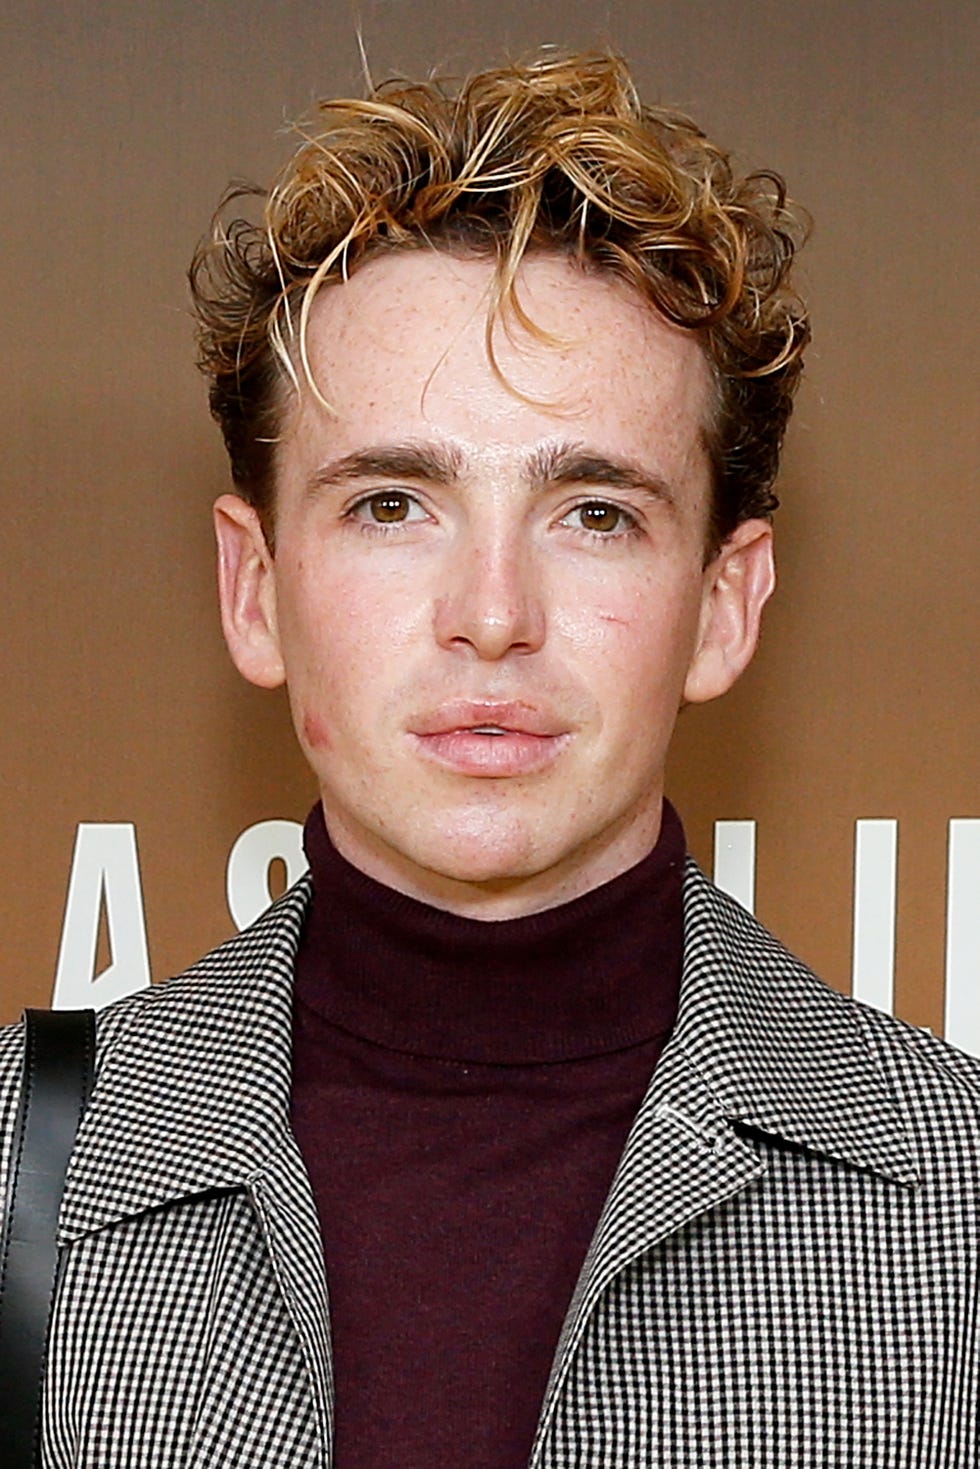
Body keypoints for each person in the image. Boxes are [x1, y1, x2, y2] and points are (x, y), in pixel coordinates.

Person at [2, 50, 978, 1469]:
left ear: (723, 603)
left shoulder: (957, 1199)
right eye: (394, 502)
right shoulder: (26, 1176)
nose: (493, 616)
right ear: (253, 586)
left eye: (594, 511)